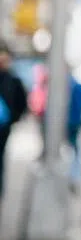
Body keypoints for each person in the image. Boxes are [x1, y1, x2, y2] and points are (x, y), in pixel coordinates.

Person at [0, 41, 28, 202]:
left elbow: (21, 103)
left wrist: (12, 119)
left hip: (4, 127)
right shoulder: (12, 79)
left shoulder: (13, 80)